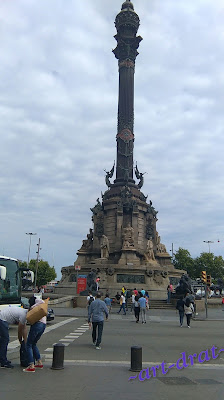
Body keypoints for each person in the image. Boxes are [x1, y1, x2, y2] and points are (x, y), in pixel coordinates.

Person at [23, 296, 46, 372]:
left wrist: (34, 302)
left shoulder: (35, 306)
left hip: (37, 325)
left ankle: (31, 365)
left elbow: (41, 301)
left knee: (28, 344)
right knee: (34, 344)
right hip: (43, 325)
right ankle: (39, 362)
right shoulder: (40, 306)